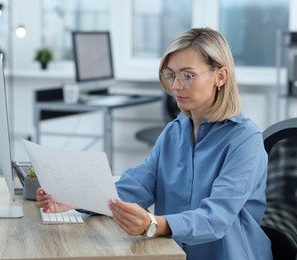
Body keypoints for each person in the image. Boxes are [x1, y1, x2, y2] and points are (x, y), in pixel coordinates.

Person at [36, 27, 273, 260]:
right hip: (173, 253)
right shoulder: (174, 132)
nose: (176, 86)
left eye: (188, 75)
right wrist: (76, 199)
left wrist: (153, 224)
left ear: (220, 76)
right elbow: (137, 185)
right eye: (171, 74)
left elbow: (216, 218)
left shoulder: (244, 139)